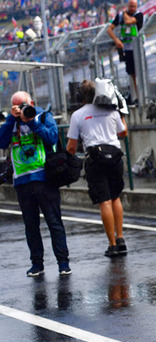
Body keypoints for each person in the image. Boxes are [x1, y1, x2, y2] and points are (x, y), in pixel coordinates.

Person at [0, 91, 70, 277]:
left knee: (54, 222)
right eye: (16, 106)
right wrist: (10, 120)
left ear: (31, 102)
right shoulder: (11, 122)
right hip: (22, 181)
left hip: (45, 179)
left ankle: (63, 262)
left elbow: (52, 137)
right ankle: (36, 264)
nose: (21, 109)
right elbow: (1, 142)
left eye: (23, 104)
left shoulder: (43, 116)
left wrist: (31, 121)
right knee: (30, 226)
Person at [67, 79, 129, 258]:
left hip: (95, 159)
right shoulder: (111, 110)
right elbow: (123, 132)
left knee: (104, 201)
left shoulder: (78, 115)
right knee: (116, 198)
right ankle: (121, 238)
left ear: (80, 96)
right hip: (115, 157)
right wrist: (120, 111)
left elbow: (71, 147)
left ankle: (112, 244)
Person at [107, 0, 143, 105]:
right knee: (131, 73)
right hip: (127, 49)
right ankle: (135, 97)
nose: (132, 9)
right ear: (127, 6)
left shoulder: (138, 15)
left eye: (134, 6)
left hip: (137, 48)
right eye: (130, 6)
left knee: (139, 72)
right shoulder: (120, 16)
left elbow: (129, 21)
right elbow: (110, 29)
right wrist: (116, 40)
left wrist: (124, 14)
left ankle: (141, 95)